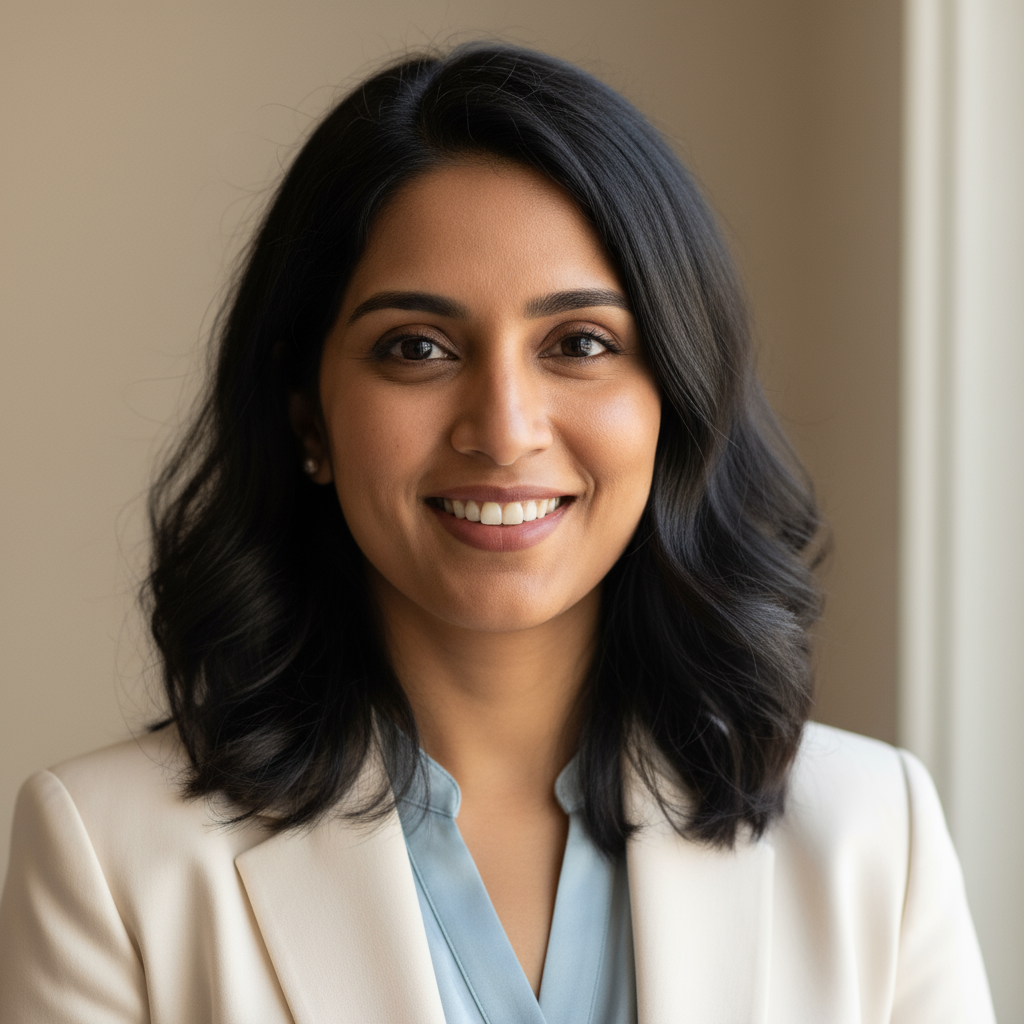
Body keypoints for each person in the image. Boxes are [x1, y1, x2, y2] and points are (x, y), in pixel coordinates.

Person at [0, 43, 995, 1023]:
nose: (505, 429)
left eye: (580, 344)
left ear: (675, 402)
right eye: (418, 348)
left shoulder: (876, 833)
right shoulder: (108, 853)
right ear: (309, 414)